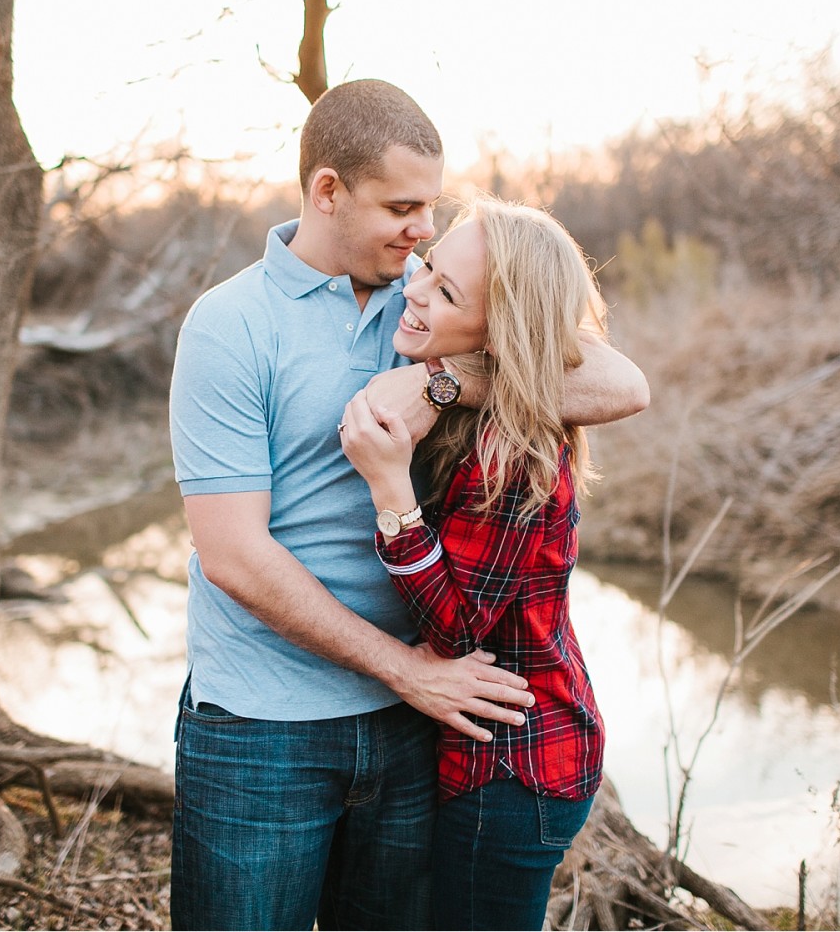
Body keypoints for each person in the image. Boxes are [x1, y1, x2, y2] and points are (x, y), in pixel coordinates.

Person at [168, 79, 648, 930]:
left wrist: (440, 381)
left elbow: (620, 381)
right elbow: (233, 554)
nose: (423, 230)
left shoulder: (428, 296)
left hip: (412, 725)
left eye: (430, 206)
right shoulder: (229, 324)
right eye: (402, 206)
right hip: (263, 729)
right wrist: (406, 670)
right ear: (327, 192)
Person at [339, 198, 614, 930]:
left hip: (515, 765)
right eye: (429, 268)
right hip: (500, 754)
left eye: (448, 293)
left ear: (499, 332)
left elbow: (459, 631)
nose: (415, 288)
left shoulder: (511, 455)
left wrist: (391, 490)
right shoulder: (473, 404)